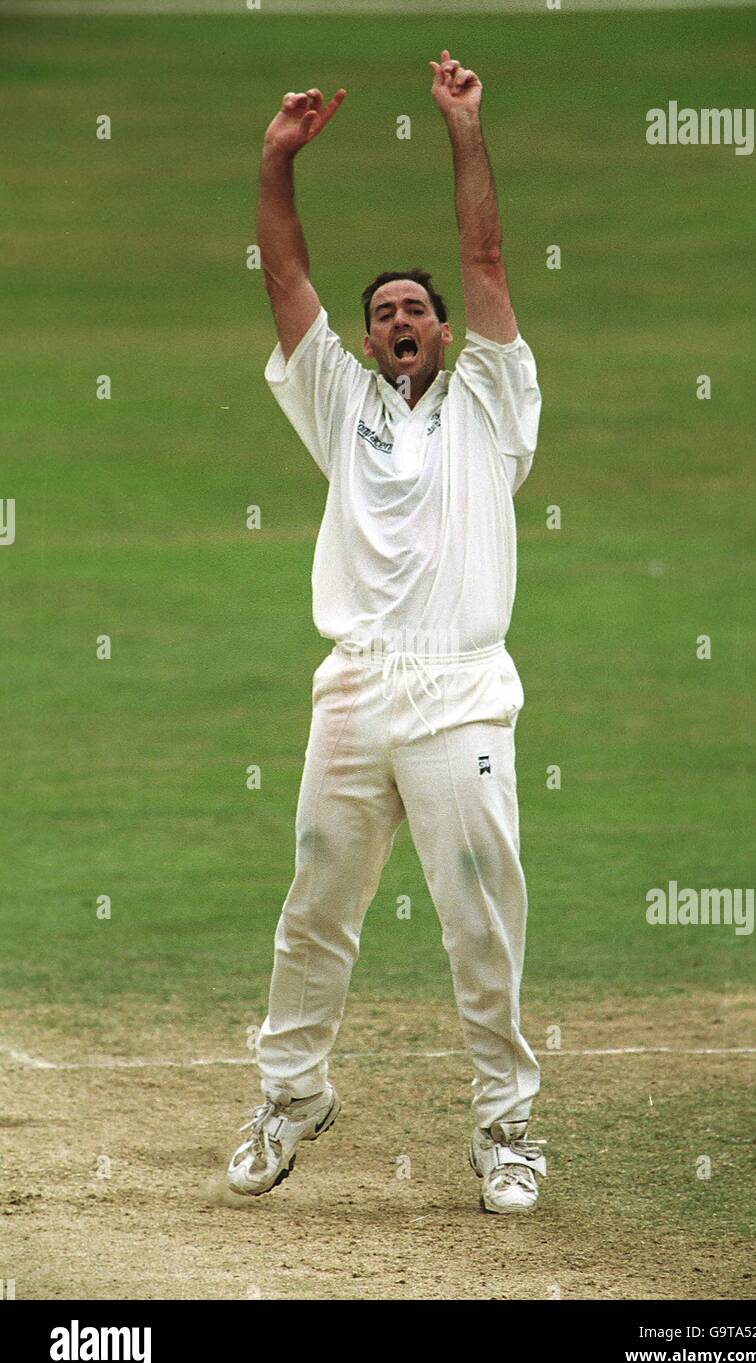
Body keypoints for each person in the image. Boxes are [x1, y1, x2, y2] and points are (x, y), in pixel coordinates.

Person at [227, 50, 545, 1215]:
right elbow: (284, 277)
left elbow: (487, 257)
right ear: (367, 344)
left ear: (449, 332)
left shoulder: (494, 404)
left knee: (479, 916)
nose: (399, 320)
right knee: (315, 907)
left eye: (416, 309)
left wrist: (464, 125)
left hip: (462, 693)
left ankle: (505, 1129)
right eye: (383, 315)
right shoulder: (342, 403)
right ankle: (289, 1095)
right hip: (357, 689)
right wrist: (276, 157)